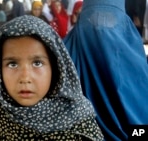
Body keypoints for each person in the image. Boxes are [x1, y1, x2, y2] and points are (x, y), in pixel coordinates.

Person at [0, 15, 104, 140]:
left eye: (37, 63)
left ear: (55, 67)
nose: (25, 78)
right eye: (12, 64)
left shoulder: (77, 114)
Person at [63, 0, 148, 140]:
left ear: (124, 21)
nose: (101, 28)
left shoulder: (139, 63)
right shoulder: (61, 58)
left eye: (111, 19)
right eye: (93, 19)